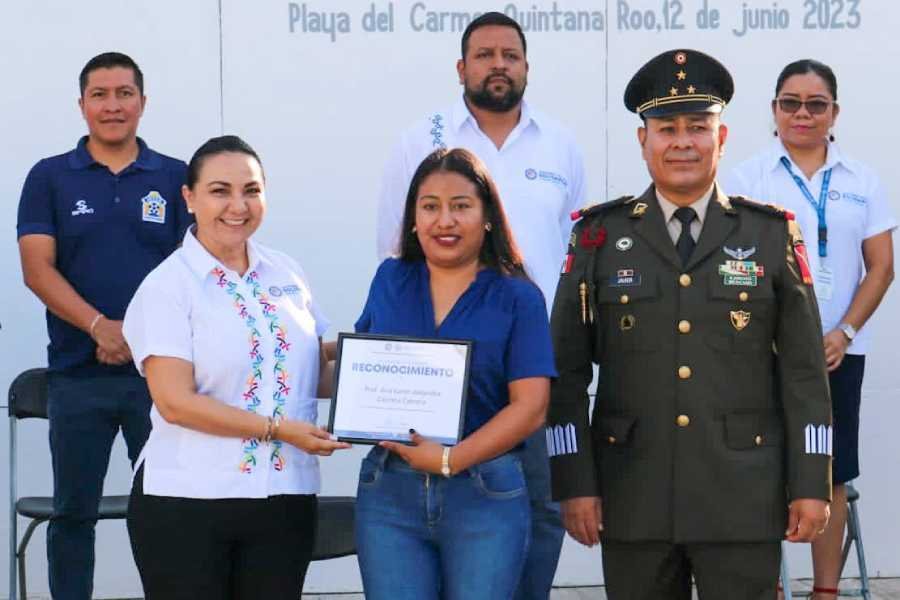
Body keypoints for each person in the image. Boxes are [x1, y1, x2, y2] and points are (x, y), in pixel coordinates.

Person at [547, 49, 833, 600]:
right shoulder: (597, 239)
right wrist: (573, 482)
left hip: (742, 497)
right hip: (632, 496)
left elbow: (803, 377)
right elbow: (566, 374)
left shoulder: (771, 235)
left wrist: (810, 482)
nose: (682, 142)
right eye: (667, 128)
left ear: (721, 139)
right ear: (643, 141)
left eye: (698, 127)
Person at [375, 13, 585, 596]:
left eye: (510, 55)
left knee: (540, 511)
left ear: (526, 67)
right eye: (485, 54)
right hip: (432, 373)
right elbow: (396, 249)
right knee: (431, 517)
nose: (499, 65)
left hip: (531, 363)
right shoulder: (423, 138)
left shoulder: (561, 144)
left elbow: (574, 259)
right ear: (461, 68)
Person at [122, 135, 350, 599]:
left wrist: (385, 371)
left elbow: (314, 375)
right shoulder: (167, 286)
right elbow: (175, 402)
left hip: (284, 496)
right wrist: (277, 428)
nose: (238, 205)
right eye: (220, 190)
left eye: (251, 190)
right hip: (187, 501)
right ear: (189, 198)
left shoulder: (286, 272)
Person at [15, 51, 190, 600]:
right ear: (82, 105)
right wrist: (98, 327)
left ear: (142, 102)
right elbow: (36, 268)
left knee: (168, 513)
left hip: (159, 380)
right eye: (100, 94)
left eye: (123, 93)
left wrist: (134, 336)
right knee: (73, 515)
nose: (112, 105)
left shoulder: (176, 176)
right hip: (76, 379)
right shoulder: (48, 177)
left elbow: (193, 273)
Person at [724, 59, 896, 600]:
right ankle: (768, 587)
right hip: (762, 351)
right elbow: (732, 264)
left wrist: (844, 331)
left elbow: (882, 267)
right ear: (774, 110)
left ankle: (825, 591)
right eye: (790, 103)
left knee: (831, 470)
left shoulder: (862, 181)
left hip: (836, 353)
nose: (803, 114)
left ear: (834, 113)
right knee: (763, 466)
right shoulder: (747, 176)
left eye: (815, 104)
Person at [355, 147, 556, 599]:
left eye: (460, 206)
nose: (444, 220)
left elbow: (531, 407)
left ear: (487, 217)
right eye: (430, 207)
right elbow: (362, 368)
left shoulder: (518, 296)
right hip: (391, 492)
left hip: (485, 494)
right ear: (412, 218)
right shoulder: (390, 279)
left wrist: (450, 459)